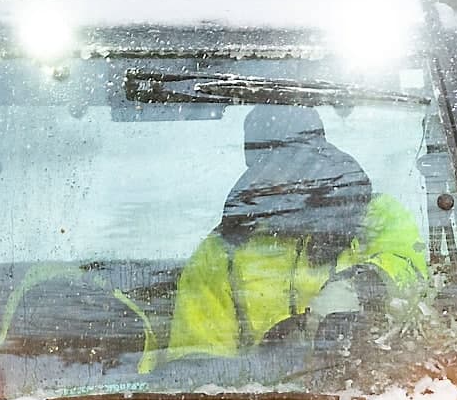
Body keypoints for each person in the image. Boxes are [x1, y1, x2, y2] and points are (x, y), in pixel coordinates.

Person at [169, 105, 426, 357]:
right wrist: (264, 362)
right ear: (256, 168)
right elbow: (197, 360)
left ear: (322, 155)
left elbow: (412, 270)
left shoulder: (373, 215)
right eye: (270, 161)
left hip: (371, 385)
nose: (286, 174)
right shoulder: (221, 251)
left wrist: (354, 289)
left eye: (298, 158)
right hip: (264, 394)